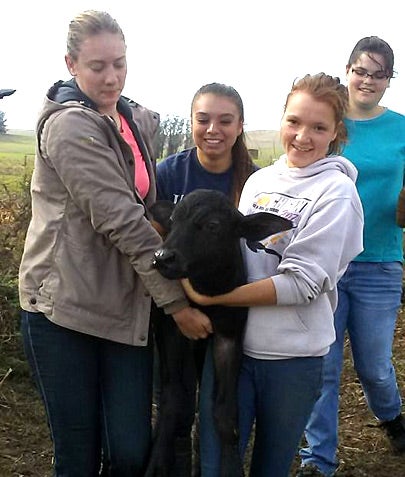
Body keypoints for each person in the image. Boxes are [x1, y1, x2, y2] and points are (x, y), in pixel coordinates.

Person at [18, 10, 212, 477]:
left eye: (120, 64)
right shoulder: (70, 127)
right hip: (64, 307)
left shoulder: (132, 119)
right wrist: (177, 304)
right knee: (79, 453)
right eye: (97, 66)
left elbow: (152, 203)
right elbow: (124, 221)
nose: (112, 78)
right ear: (71, 64)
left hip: (123, 308)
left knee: (129, 450)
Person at [181, 72, 364, 477]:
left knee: (271, 466)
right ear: (282, 119)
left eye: (318, 127)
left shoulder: (338, 194)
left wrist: (213, 299)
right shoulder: (259, 182)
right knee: (215, 462)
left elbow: (302, 283)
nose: (303, 136)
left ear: (336, 132)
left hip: (292, 359)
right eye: (295, 122)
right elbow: (233, 258)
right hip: (233, 347)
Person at [297, 37, 405, 477]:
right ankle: (317, 460)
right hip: (326, 259)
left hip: (380, 260)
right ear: (348, 70)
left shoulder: (400, 128)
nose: (368, 80)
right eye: (362, 70)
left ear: (388, 81)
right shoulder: (328, 123)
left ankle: (393, 417)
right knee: (323, 365)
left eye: (379, 74)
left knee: (375, 365)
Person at [154, 82, 257, 476]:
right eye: (203, 119)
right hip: (176, 308)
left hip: (232, 309)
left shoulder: (256, 182)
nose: (213, 129)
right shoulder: (170, 172)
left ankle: (214, 466)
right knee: (174, 399)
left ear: (240, 126)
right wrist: (180, 304)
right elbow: (156, 242)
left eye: (225, 120)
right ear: (193, 122)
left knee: (222, 402)